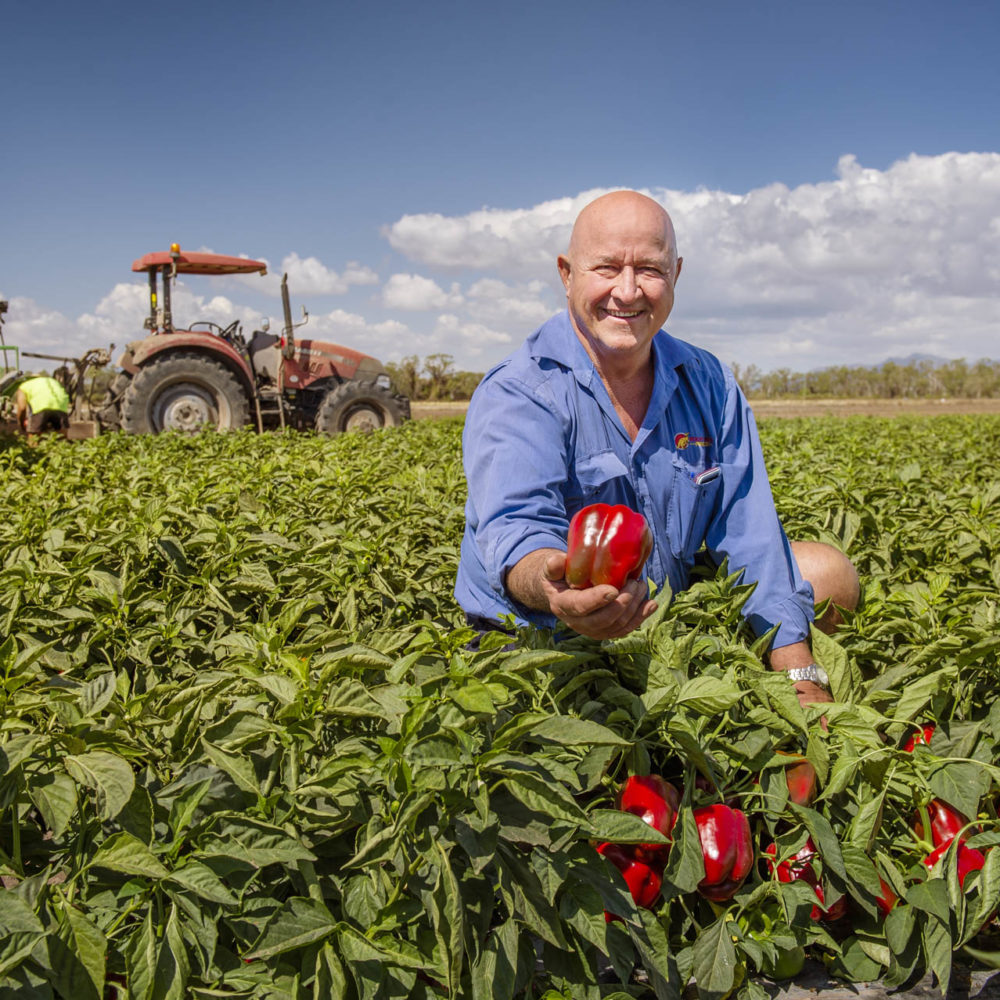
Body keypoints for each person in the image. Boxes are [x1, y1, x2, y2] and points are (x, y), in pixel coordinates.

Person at [455, 190, 859, 706]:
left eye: (649, 269)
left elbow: (750, 531)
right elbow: (516, 529)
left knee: (827, 575)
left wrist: (801, 677)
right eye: (606, 267)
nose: (627, 291)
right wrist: (558, 589)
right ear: (566, 273)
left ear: (676, 274)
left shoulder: (708, 381)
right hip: (543, 632)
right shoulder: (521, 390)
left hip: (661, 609)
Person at [14, 374, 71, 443]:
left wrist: (21, 423)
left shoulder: (24, 386)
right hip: (61, 407)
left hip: (40, 407)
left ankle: (32, 452)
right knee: (62, 439)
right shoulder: (53, 382)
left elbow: (22, 408)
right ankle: (63, 452)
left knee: (33, 439)